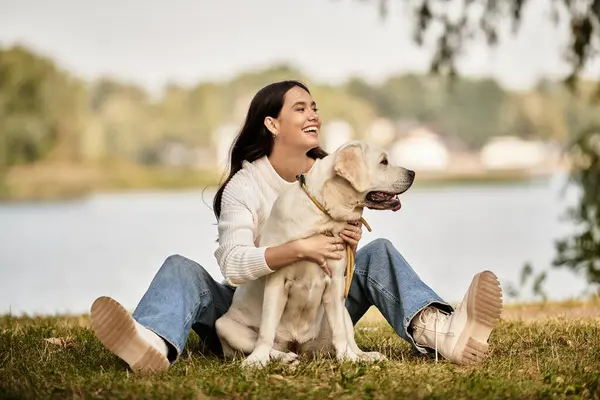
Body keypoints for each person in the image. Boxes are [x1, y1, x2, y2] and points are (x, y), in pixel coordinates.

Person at [90, 80, 503, 373]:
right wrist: (300, 248)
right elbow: (233, 266)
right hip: (247, 317)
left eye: (315, 108)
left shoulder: (333, 177)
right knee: (181, 268)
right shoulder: (245, 185)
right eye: (300, 108)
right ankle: (151, 345)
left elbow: (343, 262)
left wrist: (351, 241)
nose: (314, 116)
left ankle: (441, 331)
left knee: (381, 254)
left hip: (319, 312)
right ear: (271, 124)